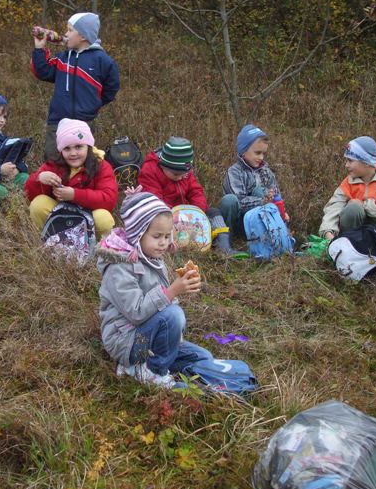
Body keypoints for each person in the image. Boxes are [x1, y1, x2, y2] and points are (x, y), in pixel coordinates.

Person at [96, 188, 214, 389]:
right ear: (137, 233)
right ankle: (148, 370)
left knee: (203, 358)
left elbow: (165, 306)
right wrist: (172, 292)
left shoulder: (152, 258)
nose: (163, 243)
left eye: (167, 236)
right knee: (173, 314)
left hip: (150, 337)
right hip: (127, 341)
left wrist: (174, 335)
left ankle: (155, 363)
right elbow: (136, 312)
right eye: (157, 236)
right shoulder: (119, 266)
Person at [31, 12, 120, 160]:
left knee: (82, 160)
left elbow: (111, 89)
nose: (65, 33)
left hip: (84, 122)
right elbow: (43, 72)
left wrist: (94, 103)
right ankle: (53, 183)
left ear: (83, 36)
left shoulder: (102, 61)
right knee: (53, 159)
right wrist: (39, 49)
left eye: (70, 30)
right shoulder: (63, 58)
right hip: (57, 122)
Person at [138, 136, 244, 256]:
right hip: (164, 215)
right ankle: (174, 249)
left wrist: (197, 211)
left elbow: (196, 191)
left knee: (214, 213)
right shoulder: (150, 171)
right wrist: (176, 214)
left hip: (187, 214)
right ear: (163, 165)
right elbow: (154, 200)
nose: (180, 178)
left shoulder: (184, 171)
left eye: (184, 174)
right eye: (176, 174)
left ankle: (223, 246)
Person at [25, 118, 117, 238]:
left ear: (88, 147)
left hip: (89, 215)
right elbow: (28, 194)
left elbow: (109, 199)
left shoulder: (102, 166)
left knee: (104, 219)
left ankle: (97, 250)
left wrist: (74, 195)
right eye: (67, 148)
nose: (73, 153)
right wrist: (38, 179)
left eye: (78, 147)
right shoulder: (54, 164)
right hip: (60, 214)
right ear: (61, 150)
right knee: (38, 204)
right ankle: (47, 241)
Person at [318, 135, 376, 240]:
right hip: (352, 234)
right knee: (353, 209)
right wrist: (328, 232)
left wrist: (365, 206)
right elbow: (333, 209)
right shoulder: (348, 183)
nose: (346, 165)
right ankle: (350, 246)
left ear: (366, 162)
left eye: (350, 161)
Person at [220, 124, 290, 238]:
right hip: (239, 222)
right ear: (243, 152)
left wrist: (282, 212)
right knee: (229, 200)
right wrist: (262, 201)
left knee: (260, 190)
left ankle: (266, 236)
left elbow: (277, 197)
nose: (261, 157)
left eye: (263, 154)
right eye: (257, 153)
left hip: (258, 220)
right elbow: (239, 201)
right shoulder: (234, 172)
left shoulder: (266, 171)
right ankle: (228, 238)